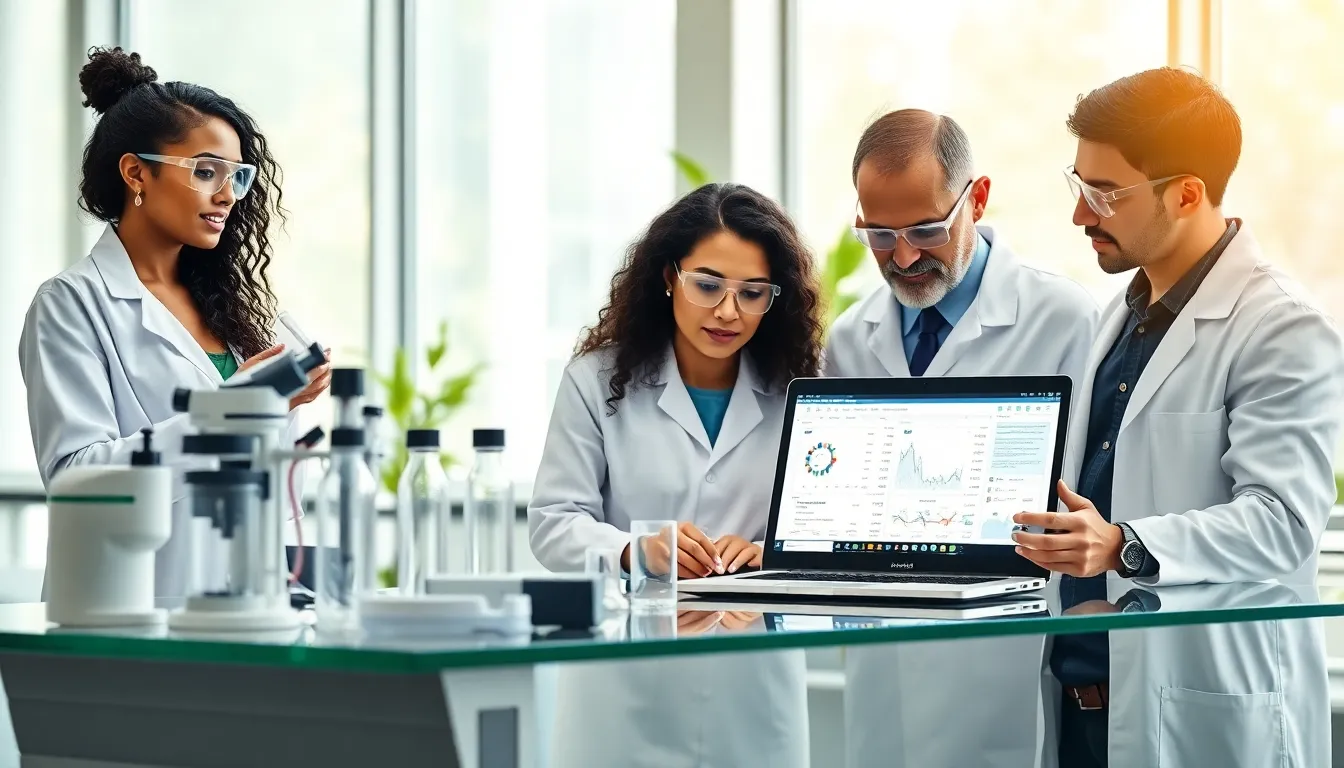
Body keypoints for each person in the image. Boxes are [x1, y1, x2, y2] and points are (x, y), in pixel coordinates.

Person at [1011, 67, 1343, 767]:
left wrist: (1122, 545)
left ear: (1187, 193)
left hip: (1199, 709)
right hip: (1081, 707)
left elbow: (1282, 522)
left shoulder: (1281, 327)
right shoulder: (1117, 317)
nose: (1081, 216)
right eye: (1078, 186)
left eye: (1105, 193)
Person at [827, 109, 1100, 768]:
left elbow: (1093, 500)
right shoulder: (850, 338)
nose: (903, 256)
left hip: (1004, 656)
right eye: (879, 235)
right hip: (882, 657)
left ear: (976, 198)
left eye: (925, 230)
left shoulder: (1065, 319)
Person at [529, 182, 824, 767]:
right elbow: (553, 523)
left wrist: (772, 553)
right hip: (624, 695)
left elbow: (830, 526)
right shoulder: (595, 381)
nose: (728, 311)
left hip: (753, 688)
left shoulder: (802, 387)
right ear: (669, 277)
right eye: (707, 285)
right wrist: (635, 551)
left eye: (752, 293)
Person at [19, 47, 329, 598]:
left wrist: (283, 410)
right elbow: (75, 481)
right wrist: (233, 411)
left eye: (238, 177)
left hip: (239, 609)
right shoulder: (70, 305)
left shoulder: (232, 312)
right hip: (122, 612)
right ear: (136, 172)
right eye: (206, 172)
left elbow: (277, 497)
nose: (227, 195)